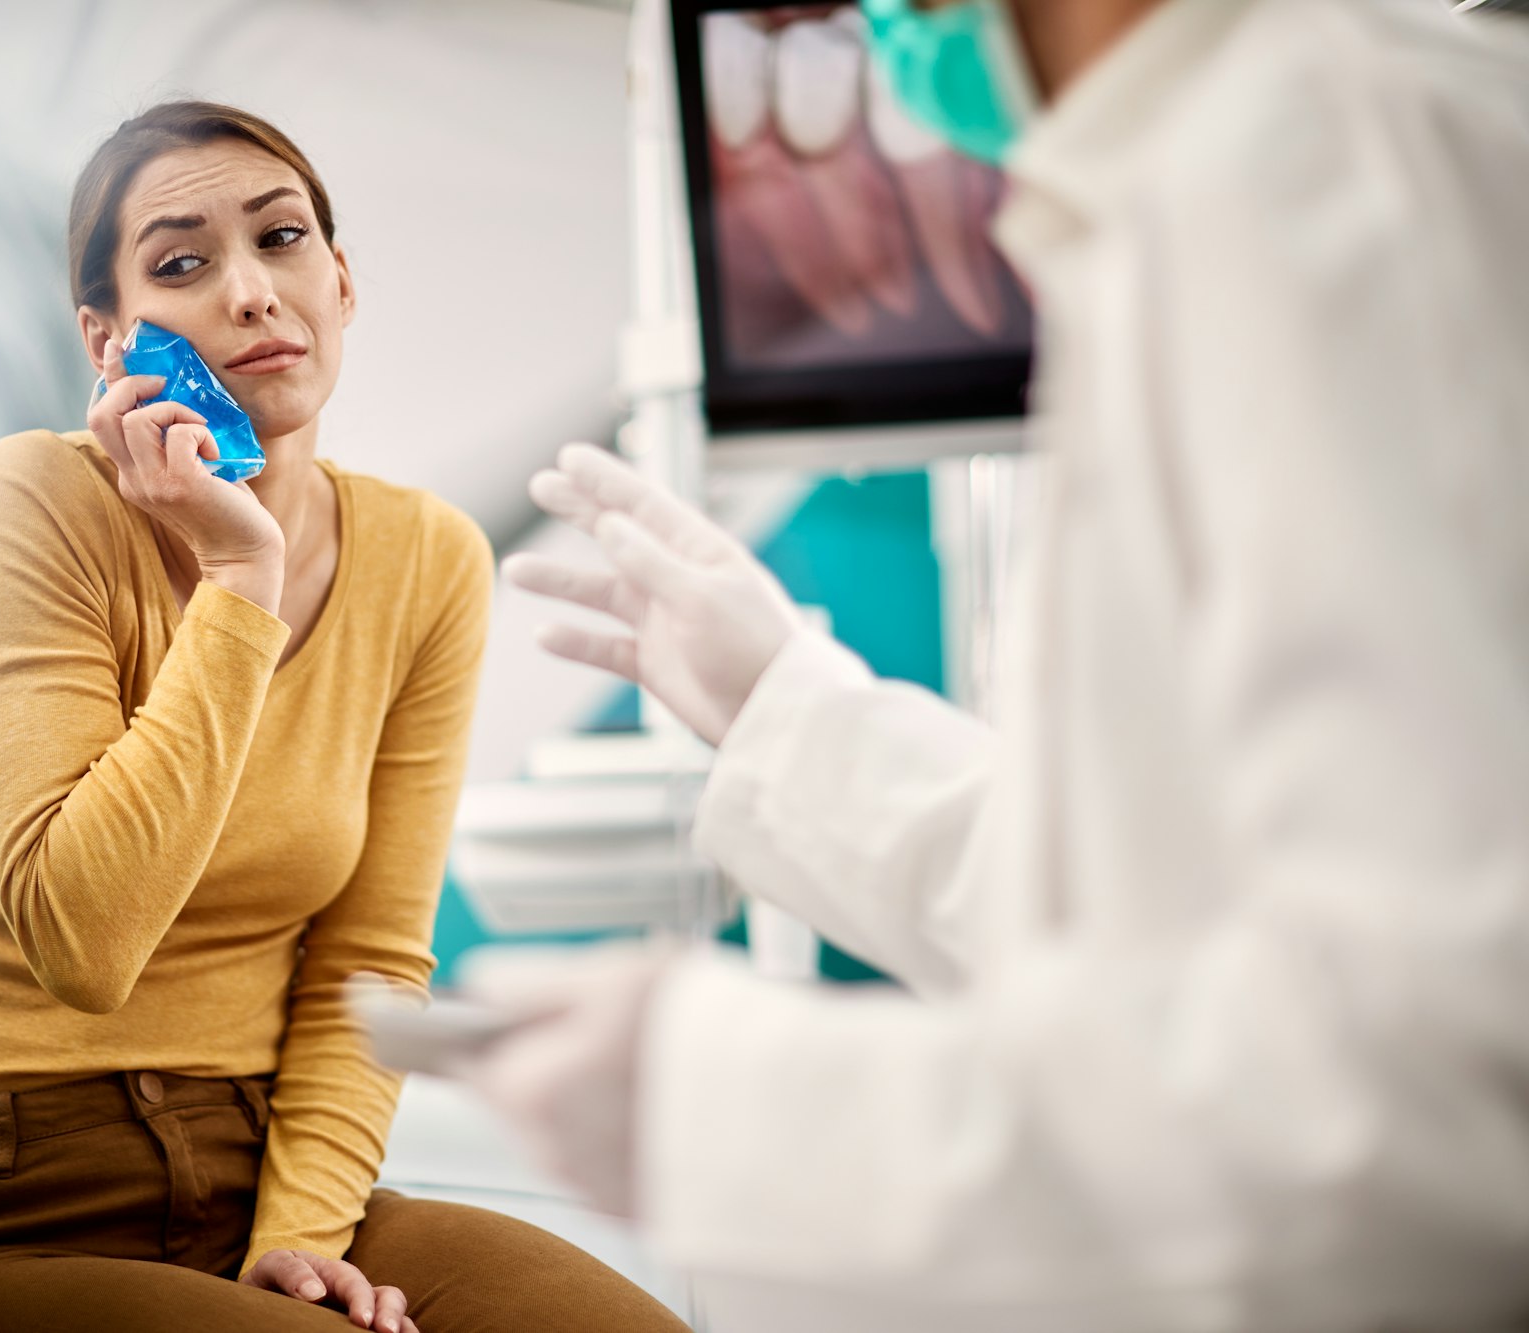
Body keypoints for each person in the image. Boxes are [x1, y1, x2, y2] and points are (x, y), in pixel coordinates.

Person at [460, 0, 1529, 1327]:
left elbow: (1427, 1107)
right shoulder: (1218, 180)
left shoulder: (1316, 174)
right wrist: (789, 709)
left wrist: (732, 1106)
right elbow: (1178, 912)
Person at [0, 100, 687, 1333]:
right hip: (10, 1191)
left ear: (341, 280)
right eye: (182, 263)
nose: (251, 291)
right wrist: (237, 579)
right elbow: (82, 941)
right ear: (108, 338)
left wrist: (302, 1235)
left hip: (271, 1173)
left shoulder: (425, 559)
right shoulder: (24, 501)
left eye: (282, 237)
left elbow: (370, 962)